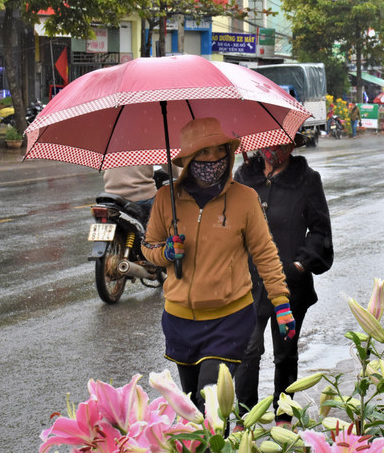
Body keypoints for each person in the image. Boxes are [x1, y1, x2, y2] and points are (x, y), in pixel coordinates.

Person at [141, 118, 291, 410]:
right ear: (187, 158)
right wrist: (166, 254)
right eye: (202, 152)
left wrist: (281, 302)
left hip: (230, 319)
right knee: (193, 408)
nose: (213, 159)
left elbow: (265, 253)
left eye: (218, 150)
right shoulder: (165, 198)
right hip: (179, 320)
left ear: (229, 152)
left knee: (210, 401)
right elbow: (150, 247)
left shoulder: (245, 199)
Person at [233, 135, 333, 422]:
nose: (271, 148)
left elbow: (320, 230)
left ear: (291, 145)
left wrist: (300, 265)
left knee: (285, 353)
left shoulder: (307, 179)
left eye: (279, 142)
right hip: (248, 283)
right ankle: (245, 416)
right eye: (267, 140)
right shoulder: (243, 176)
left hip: (290, 285)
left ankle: (284, 416)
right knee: (248, 349)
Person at [103, 164, 177, 224]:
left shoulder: (110, 147)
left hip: (111, 197)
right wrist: (184, 174)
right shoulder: (145, 146)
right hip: (140, 195)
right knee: (170, 216)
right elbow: (170, 165)